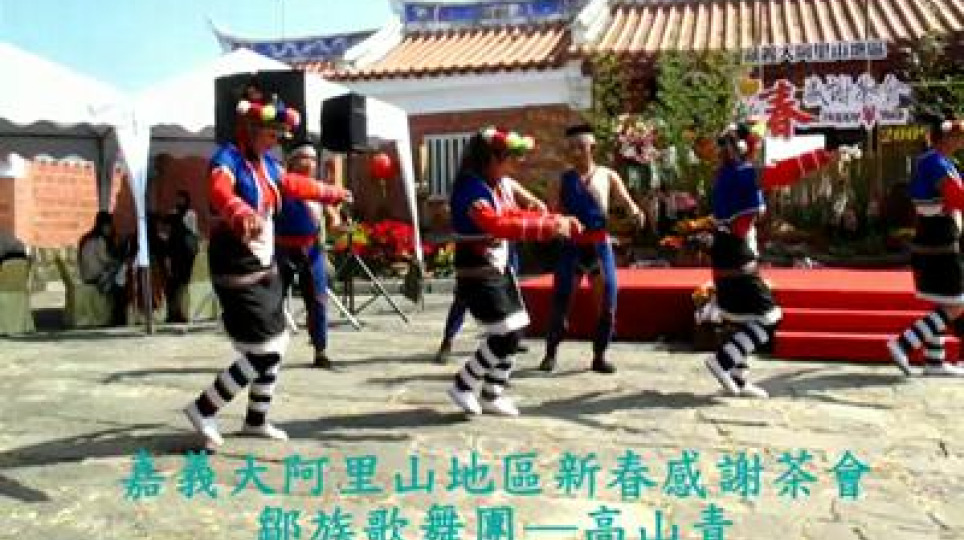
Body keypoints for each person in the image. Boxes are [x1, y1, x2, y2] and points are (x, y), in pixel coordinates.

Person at [183, 83, 351, 449]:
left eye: (279, 135)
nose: (275, 140)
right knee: (263, 351)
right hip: (236, 264)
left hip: (263, 265)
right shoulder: (227, 159)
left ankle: (256, 419)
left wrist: (330, 192)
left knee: (278, 342)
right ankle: (204, 408)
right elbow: (219, 190)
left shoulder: (267, 165)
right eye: (270, 133)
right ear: (250, 129)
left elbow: (292, 184)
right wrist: (239, 211)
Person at [446, 126, 583, 416]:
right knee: (505, 333)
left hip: (498, 269)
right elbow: (497, 224)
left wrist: (553, 219)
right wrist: (548, 227)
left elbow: (512, 215)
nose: (514, 165)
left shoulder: (494, 186)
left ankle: (492, 393)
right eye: (508, 158)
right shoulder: (470, 190)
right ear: (490, 159)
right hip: (478, 274)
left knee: (517, 329)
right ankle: (463, 384)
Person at [703, 122, 839, 398]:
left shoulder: (726, 173)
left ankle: (739, 377)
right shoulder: (742, 174)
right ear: (745, 147)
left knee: (746, 318)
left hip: (729, 250)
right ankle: (723, 361)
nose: (758, 148)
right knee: (769, 317)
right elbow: (782, 173)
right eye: (755, 143)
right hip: (736, 253)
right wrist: (822, 156)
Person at [540, 124, 646, 374]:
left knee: (608, 301)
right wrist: (555, 224)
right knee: (562, 299)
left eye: (581, 147)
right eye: (571, 148)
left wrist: (636, 213)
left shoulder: (608, 175)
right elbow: (551, 212)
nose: (576, 152)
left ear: (592, 148)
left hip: (599, 245)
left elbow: (627, 202)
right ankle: (550, 352)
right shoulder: (561, 179)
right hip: (572, 245)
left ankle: (600, 355)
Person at [433, 176, 546, 364]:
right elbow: (456, 212)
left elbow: (530, 200)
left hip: (506, 247)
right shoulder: (474, 186)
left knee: (509, 293)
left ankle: (509, 337)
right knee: (463, 298)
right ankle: (448, 340)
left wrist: (536, 207)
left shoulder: (507, 183)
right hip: (480, 249)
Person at [889, 113, 964, 377]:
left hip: (933, 235)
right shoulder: (936, 163)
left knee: (944, 302)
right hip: (940, 237)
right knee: (956, 305)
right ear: (945, 137)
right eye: (957, 136)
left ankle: (934, 361)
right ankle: (904, 343)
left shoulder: (935, 161)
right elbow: (957, 197)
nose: (961, 141)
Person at [275, 141, 342, 369]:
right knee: (272, 299)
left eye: (313, 159)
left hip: (310, 249)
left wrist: (336, 220)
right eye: (305, 158)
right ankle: (267, 349)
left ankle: (320, 350)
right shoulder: (281, 184)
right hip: (282, 248)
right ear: (293, 162)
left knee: (318, 300)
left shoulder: (318, 189)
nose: (310, 163)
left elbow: (332, 217)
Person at [78, 211, 128, 325]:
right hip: (95, 276)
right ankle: (118, 317)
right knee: (120, 286)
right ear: (104, 226)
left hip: (85, 275)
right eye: (109, 226)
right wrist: (118, 261)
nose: (110, 229)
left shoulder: (86, 238)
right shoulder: (99, 239)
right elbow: (105, 259)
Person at [165, 190, 199, 322]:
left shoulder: (190, 214)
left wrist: (177, 217)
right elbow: (168, 229)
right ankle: (173, 312)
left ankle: (181, 312)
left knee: (183, 283)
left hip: (185, 253)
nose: (179, 201)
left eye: (181, 199)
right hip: (174, 252)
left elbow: (191, 230)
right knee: (173, 284)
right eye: (178, 199)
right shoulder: (173, 213)